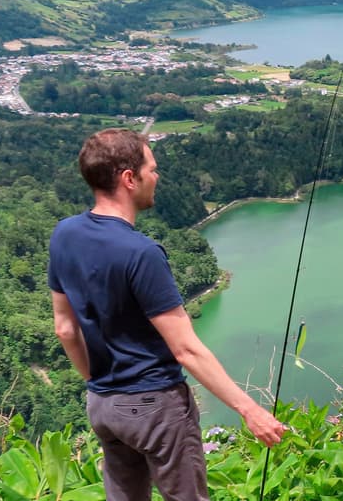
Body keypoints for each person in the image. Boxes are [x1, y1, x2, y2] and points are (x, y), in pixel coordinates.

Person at [49, 128, 285, 500]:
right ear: (129, 179)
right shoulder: (140, 253)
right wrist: (249, 410)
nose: (157, 177)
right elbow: (186, 350)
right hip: (154, 405)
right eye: (152, 169)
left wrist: (100, 385)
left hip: (103, 407)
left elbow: (65, 329)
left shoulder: (63, 235)